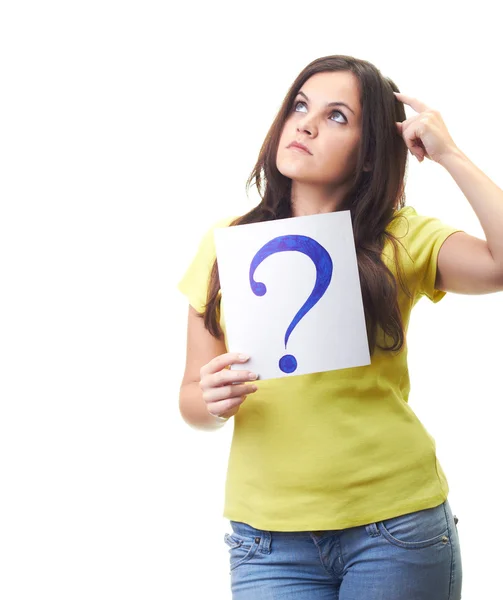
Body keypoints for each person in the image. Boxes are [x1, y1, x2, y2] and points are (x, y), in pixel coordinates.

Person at [177, 54, 503, 599]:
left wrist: (450, 155)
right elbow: (191, 396)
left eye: (337, 117)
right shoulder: (225, 244)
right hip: (268, 542)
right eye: (300, 106)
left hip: (394, 528)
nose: (305, 123)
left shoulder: (403, 237)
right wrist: (210, 400)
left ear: (371, 154)